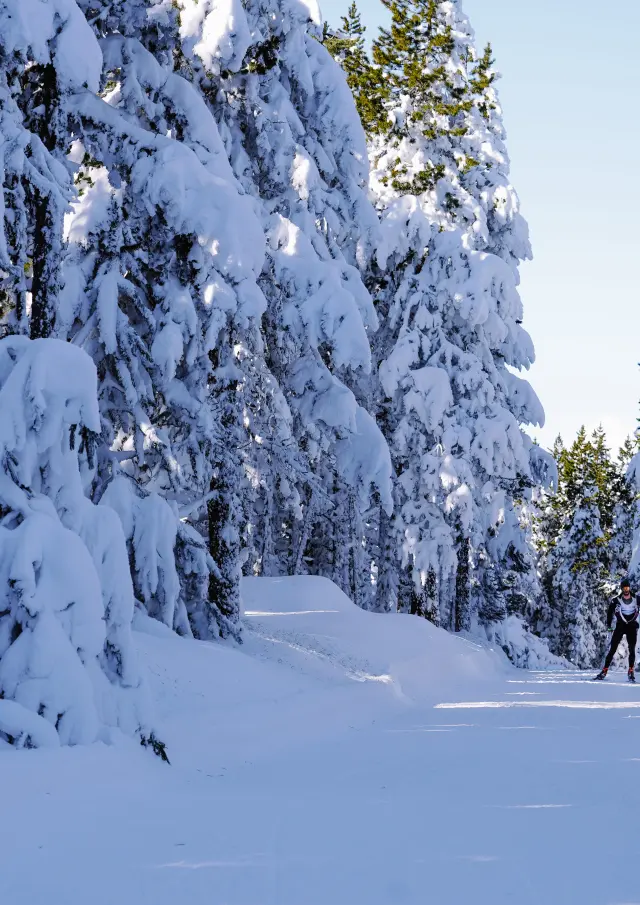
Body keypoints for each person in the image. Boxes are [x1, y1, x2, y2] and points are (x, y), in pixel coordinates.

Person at [594, 578, 640, 682]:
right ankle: (604, 670)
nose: (626, 590)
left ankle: (631, 670)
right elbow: (609, 612)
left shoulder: (637, 599)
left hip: (632, 626)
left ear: (629, 588)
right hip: (620, 625)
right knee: (613, 648)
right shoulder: (616, 600)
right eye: (624, 588)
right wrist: (609, 625)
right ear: (621, 589)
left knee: (632, 649)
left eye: (627, 588)